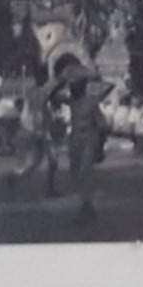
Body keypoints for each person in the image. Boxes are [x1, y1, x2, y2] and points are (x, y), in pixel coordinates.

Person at [64, 75, 108, 225]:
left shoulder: (91, 102)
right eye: (70, 86)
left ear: (81, 87)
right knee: (75, 172)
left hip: (89, 137)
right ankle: (86, 205)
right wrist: (61, 81)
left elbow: (102, 126)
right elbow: (51, 95)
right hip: (75, 137)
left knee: (85, 172)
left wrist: (100, 147)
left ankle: (86, 207)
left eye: (74, 86)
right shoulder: (71, 102)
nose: (71, 89)